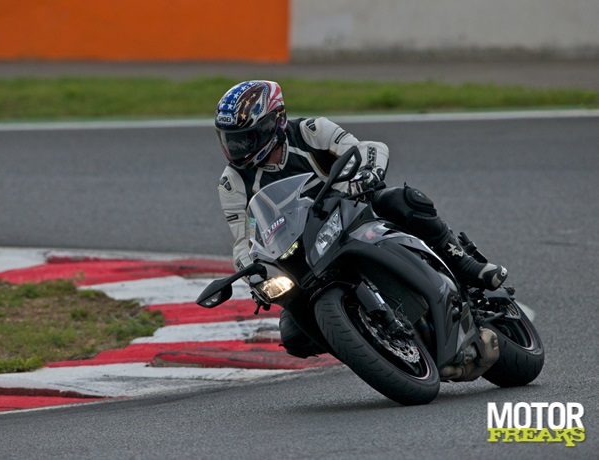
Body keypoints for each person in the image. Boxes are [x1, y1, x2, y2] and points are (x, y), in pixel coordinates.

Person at [215, 80, 507, 358]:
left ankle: (463, 263)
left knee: (402, 199)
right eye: (231, 141)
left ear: (274, 122)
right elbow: (245, 239)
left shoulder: (310, 131)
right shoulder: (232, 183)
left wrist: (367, 173)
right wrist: (252, 271)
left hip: (352, 209)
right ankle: (367, 343)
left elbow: (368, 148)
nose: (237, 148)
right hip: (301, 249)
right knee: (293, 335)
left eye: (246, 138)